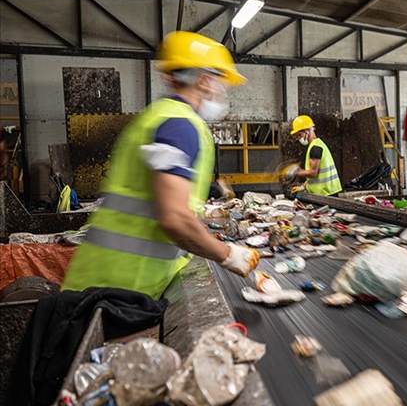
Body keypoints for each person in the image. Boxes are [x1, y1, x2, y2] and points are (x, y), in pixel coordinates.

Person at [62, 31, 260, 299]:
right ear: (205, 80)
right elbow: (174, 218)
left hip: (105, 280)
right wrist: (229, 255)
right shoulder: (180, 126)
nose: (223, 92)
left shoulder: (157, 116)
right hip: (120, 289)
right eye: (222, 83)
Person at [288, 115, 343, 196]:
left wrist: (296, 172)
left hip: (326, 193)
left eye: (299, 135)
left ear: (307, 132)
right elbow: (316, 174)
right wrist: (303, 187)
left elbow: (313, 173)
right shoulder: (316, 144)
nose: (298, 138)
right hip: (327, 192)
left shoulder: (315, 148)